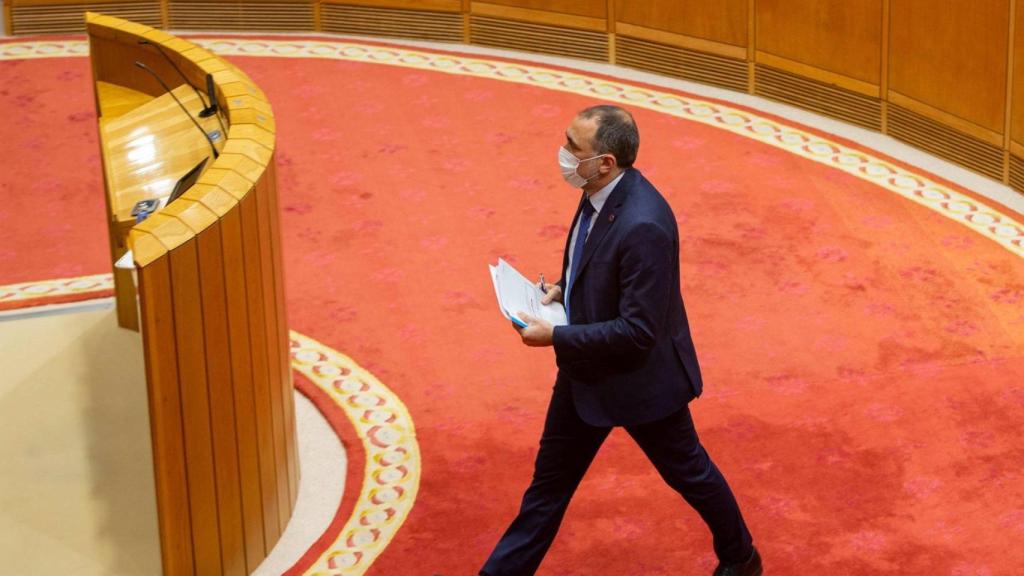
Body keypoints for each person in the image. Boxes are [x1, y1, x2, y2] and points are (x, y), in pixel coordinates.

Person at [480, 105, 762, 576]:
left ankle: (741, 558)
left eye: (574, 147)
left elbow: (639, 331)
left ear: (606, 162)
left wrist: (557, 335)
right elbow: (594, 257)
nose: (563, 154)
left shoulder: (645, 224)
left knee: (689, 475)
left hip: (642, 384)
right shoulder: (597, 190)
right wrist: (563, 288)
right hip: (583, 375)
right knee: (546, 491)